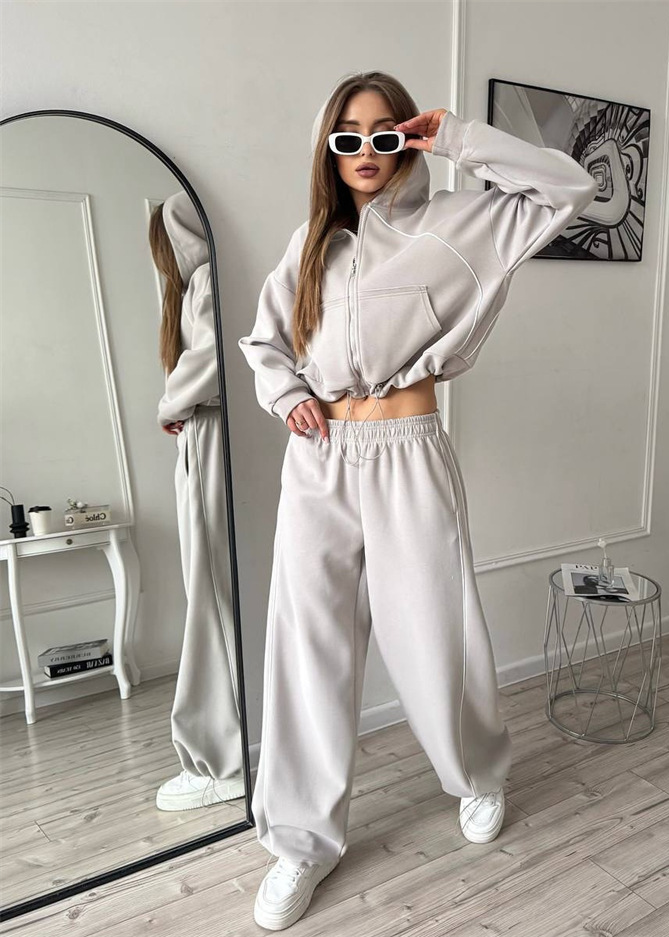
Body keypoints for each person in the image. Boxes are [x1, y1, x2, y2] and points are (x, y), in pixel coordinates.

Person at [238, 70, 598, 931]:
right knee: (308, 647)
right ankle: (301, 841)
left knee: (435, 631)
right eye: (347, 137)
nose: (365, 151)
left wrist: (457, 137)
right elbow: (265, 342)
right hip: (320, 461)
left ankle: (478, 775)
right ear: (329, 151)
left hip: (407, 452)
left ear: (406, 136)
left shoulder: (458, 225)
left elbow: (571, 187)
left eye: (383, 133)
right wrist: (286, 394)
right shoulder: (310, 243)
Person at [150, 191, 245, 811]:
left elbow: (211, 358)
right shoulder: (205, 281)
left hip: (210, 436)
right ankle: (229, 750)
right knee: (213, 594)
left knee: (210, 597)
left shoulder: (208, 278)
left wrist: (170, 404)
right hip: (208, 436)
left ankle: (222, 762)